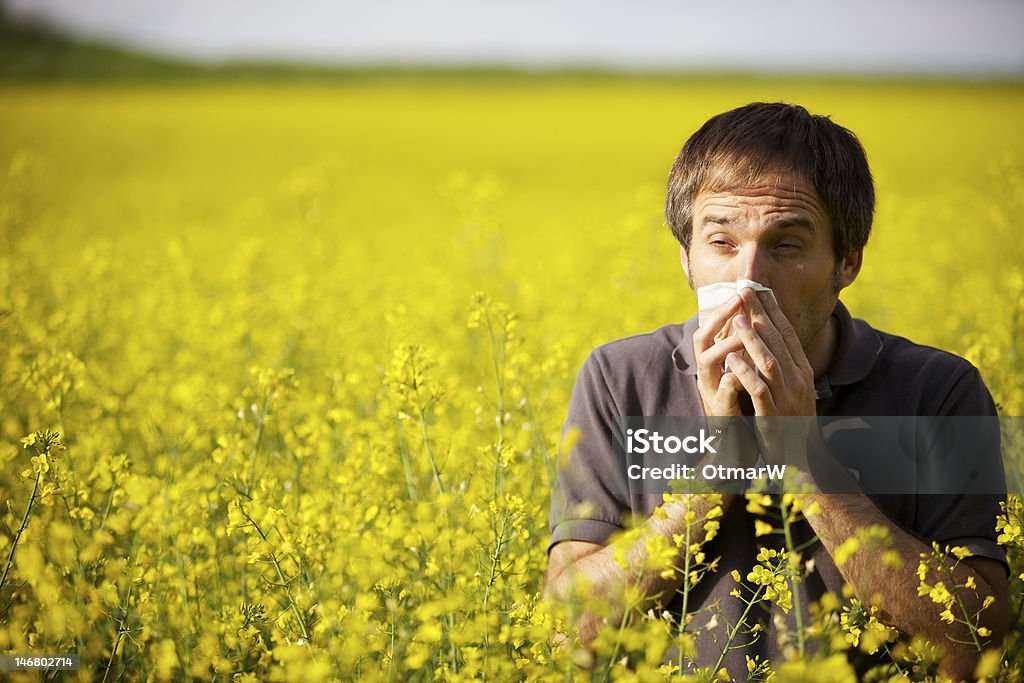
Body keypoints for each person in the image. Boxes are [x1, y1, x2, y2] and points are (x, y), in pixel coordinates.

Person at [542, 102, 1009, 681]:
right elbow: (563, 626)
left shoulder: (937, 389)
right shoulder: (621, 378)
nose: (748, 278)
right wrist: (709, 482)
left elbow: (978, 640)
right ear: (686, 258)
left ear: (848, 261)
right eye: (721, 242)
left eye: (786, 245)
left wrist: (804, 456)